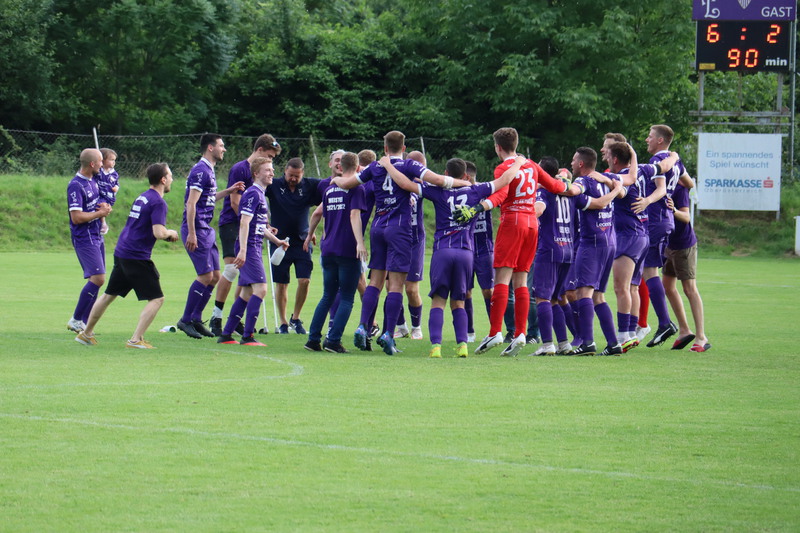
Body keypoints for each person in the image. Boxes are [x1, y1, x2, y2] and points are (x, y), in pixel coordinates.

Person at [331, 130, 470, 355]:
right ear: (404, 149)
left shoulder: (375, 166)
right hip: (400, 229)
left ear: (385, 148)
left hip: (378, 227)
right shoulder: (409, 166)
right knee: (396, 286)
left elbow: (347, 183)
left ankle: (362, 326)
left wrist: (335, 179)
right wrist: (463, 183)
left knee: (375, 282)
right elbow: (437, 180)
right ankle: (388, 334)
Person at [381, 156, 525, 358]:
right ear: (466, 175)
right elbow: (504, 180)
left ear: (446, 174)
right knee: (459, 302)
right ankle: (462, 345)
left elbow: (405, 184)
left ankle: (436, 347)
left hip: (443, 251)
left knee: (438, 301)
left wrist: (388, 165)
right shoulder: (476, 190)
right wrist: (518, 162)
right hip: (466, 253)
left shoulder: (438, 191)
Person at [455, 127, 576, 357]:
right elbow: (556, 186)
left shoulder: (504, 168)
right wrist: (569, 185)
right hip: (532, 224)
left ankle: (495, 332)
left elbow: (501, 195)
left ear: (498, 147)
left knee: (502, 278)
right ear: (516, 144)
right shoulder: (532, 165)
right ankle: (520, 333)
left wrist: (479, 207)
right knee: (521, 280)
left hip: (513, 221)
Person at [75, 163, 180, 348]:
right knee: (157, 299)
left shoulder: (143, 197)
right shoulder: (158, 202)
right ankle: (135, 340)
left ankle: (86, 334)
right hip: (136, 256)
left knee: (109, 295)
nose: (172, 179)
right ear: (163, 180)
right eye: (170, 176)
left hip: (122, 251)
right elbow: (158, 232)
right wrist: (170, 233)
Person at [605, 142, 680, 352]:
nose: (606, 158)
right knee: (632, 287)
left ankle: (623, 335)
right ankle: (630, 332)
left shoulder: (620, 177)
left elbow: (622, 190)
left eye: (608, 155)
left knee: (621, 287)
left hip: (627, 236)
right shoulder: (645, 169)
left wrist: (597, 178)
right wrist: (674, 156)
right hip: (643, 234)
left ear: (615, 159)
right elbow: (664, 166)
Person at [210, 134, 282, 336]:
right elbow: (237, 205)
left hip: (250, 229)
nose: (271, 166)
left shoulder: (260, 190)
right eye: (269, 158)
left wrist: (264, 227)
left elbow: (254, 214)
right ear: (260, 150)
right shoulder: (241, 170)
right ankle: (217, 317)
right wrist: (250, 227)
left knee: (247, 286)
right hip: (234, 225)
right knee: (233, 271)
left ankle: (233, 325)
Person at [177, 133, 244, 339]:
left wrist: (229, 190)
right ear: (210, 147)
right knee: (205, 276)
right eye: (221, 146)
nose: (224, 149)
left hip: (206, 230)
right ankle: (185, 320)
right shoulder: (200, 170)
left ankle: (196, 319)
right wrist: (192, 233)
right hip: (197, 229)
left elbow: (208, 198)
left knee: (215, 276)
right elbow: (191, 203)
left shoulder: (209, 170)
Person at [218, 158, 288, 346]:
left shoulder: (260, 195)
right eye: (267, 170)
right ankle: (247, 336)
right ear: (256, 173)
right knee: (261, 289)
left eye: (272, 169)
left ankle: (226, 334)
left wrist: (276, 241)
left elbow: (258, 226)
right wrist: (242, 250)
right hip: (249, 248)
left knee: (246, 293)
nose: (272, 173)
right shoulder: (253, 194)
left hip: (253, 247)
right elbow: (244, 222)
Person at [304, 152, 366, 353]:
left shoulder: (329, 189)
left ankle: (313, 339)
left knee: (327, 295)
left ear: (341, 167)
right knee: (347, 297)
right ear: (358, 168)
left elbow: (317, 213)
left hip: (328, 249)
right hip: (347, 248)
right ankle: (333, 340)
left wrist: (309, 235)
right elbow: (354, 215)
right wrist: (360, 243)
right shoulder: (357, 188)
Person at [640, 124, 694, 347]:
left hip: (655, 219)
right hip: (666, 220)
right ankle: (657, 323)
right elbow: (690, 183)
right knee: (647, 271)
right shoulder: (676, 162)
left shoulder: (657, 161)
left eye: (650, 136)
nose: (647, 140)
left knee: (648, 271)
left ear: (660, 140)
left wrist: (648, 200)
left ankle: (663, 323)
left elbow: (661, 188)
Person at [568, 147, 624, 356]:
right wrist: (614, 186)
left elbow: (597, 202)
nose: (572, 163)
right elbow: (622, 189)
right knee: (598, 296)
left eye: (574, 160)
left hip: (591, 243)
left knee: (584, 293)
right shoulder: (606, 179)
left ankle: (588, 342)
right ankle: (613, 343)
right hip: (610, 242)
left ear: (581, 163)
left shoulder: (583, 182)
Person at [528, 157, 578, 356]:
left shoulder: (544, 191)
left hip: (549, 247)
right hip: (568, 248)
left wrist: (524, 214)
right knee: (556, 298)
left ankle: (547, 344)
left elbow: (539, 209)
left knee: (542, 297)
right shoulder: (568, 192)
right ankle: (564, 344)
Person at [266, 157, 322, 334]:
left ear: (302, 173)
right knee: (281, 283)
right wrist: (265, 223)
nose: (293, 179)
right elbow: (256, 197)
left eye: (297, 176)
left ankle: (295, 318)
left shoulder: (310, 186)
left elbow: (328, 197)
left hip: (302, 241)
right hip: (279, 242)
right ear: (285, 171)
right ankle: (283, 322)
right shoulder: (274, 185)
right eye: (290, 175)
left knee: (304, 280)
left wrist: (312, 230)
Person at [66, 148, 112, 334]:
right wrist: (99, 214)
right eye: (100, 161)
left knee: (98, 279)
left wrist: (103, 213)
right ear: (92, 164)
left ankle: (83, 324)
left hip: (96, 235)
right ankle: (76, 319)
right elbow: (76, 217)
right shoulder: (75, 185)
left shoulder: (93, 181)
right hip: (84, 237)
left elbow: (96, 206)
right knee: (98, 278)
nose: (102, 164)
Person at [664, 183, 711, 352]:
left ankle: (701, 337)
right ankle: (684, 330)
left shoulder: (679, 187)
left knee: (689, 289)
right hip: (668, 244)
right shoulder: (658, 185)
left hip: (684, 245)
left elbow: (686, 217)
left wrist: (674, 210)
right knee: (667, 287)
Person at [394, 150, 427, 341]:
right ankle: (401, 327)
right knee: (392, 286)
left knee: (411, 289)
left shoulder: (423, 185)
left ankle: (416, 327)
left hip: (415, 239)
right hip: (396, 239)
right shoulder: (396, 181)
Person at [464, 160, 494, 343]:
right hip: (466, 248)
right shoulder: (458, 192)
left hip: (484, 249)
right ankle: (469, 332)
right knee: (466, 291)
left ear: (467, 176)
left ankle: (494, 330)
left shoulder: (485, 190)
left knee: (488, 291)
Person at [97, 148, 119, 235]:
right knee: (101, 205)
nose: (114, 162)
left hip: (109, 196)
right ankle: (102, 223)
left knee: (104, 207)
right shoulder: (99, 171)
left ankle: (102, 223)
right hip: (101, 195)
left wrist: (116, 188)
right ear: (103, 160)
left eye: (114, 160)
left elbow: (116, 183)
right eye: (111, 160)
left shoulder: (114, 174)